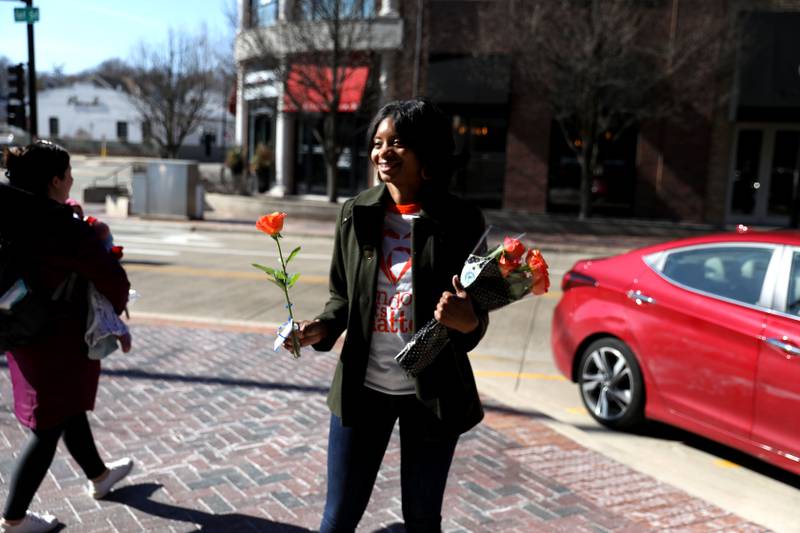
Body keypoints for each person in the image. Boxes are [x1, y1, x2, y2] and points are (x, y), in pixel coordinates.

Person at [287, 99, 489, 532]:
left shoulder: (461, 221)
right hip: (363, 388)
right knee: (337, 517)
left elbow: (477, 320)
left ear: (427, 152)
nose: (383, 153)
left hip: (431, 392)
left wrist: (464, 318)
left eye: (397, 142)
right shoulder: (356, 213)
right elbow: (341, 298)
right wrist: (318, 328)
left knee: (420, 518)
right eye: (377, 143)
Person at [0, 141, 134, 533]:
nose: (73, 179)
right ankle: (14, 518)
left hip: (18, 327)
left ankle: (99, 476)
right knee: (48, 425)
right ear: (55, 180)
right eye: (69, 173)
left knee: (66, 407)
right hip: (56, 335)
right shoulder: (59, 226)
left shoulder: (12, 211)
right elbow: (112, 278)